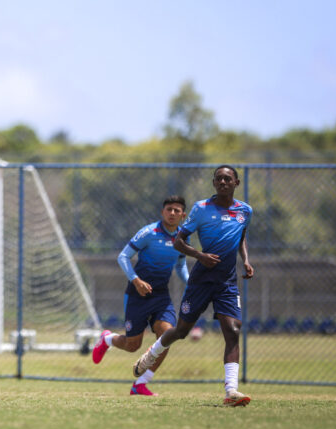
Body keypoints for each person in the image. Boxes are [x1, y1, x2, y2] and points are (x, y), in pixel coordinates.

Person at [133, 165, 254, 407]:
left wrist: (246, 261)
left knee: (233, 330)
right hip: (201, 280)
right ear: (214, 183)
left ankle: (231, 391)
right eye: (218, 178)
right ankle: (152, 353)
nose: (222, 182)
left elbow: (240, 236)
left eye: (227, 179)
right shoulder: (201, 209)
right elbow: (178, 241)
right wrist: (200, 256)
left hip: (227, 282)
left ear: (236, 183)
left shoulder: (245, 211)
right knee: (181, 331)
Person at [91, 196, 190, 396]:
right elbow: (123, 256)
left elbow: (180, 266)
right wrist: (136, 281)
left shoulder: (183, 237)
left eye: (176, 210)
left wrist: (192, 283)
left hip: (161, 295)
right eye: (169, 209)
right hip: (138, 294)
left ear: (183, 215)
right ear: (162, 212)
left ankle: (141, 384)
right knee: (132, 345)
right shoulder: (149, 232)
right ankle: (108, 339)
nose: (172, 213)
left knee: (167, 337)